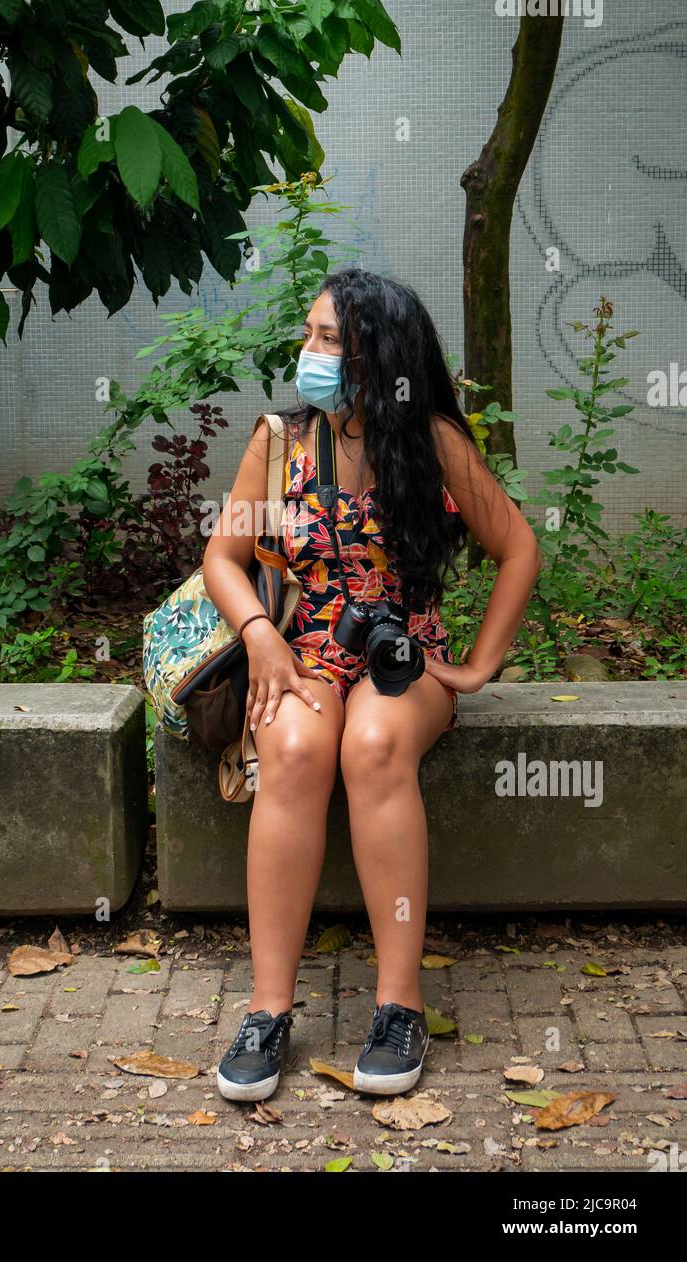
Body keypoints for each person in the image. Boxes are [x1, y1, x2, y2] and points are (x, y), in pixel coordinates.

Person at [201, 268, 541, 1101]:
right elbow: (223, 556)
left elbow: (520, 548)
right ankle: (268, 1010)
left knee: (376, 743)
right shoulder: (279, 441)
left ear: (379, 357)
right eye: (309, 334)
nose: (309, 353)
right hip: (306, 653)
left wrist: (478, 663)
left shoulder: (431, 442)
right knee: (290, 749)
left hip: (403, 657)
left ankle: (398, 1005)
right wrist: (260, 638)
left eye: (328, 341)